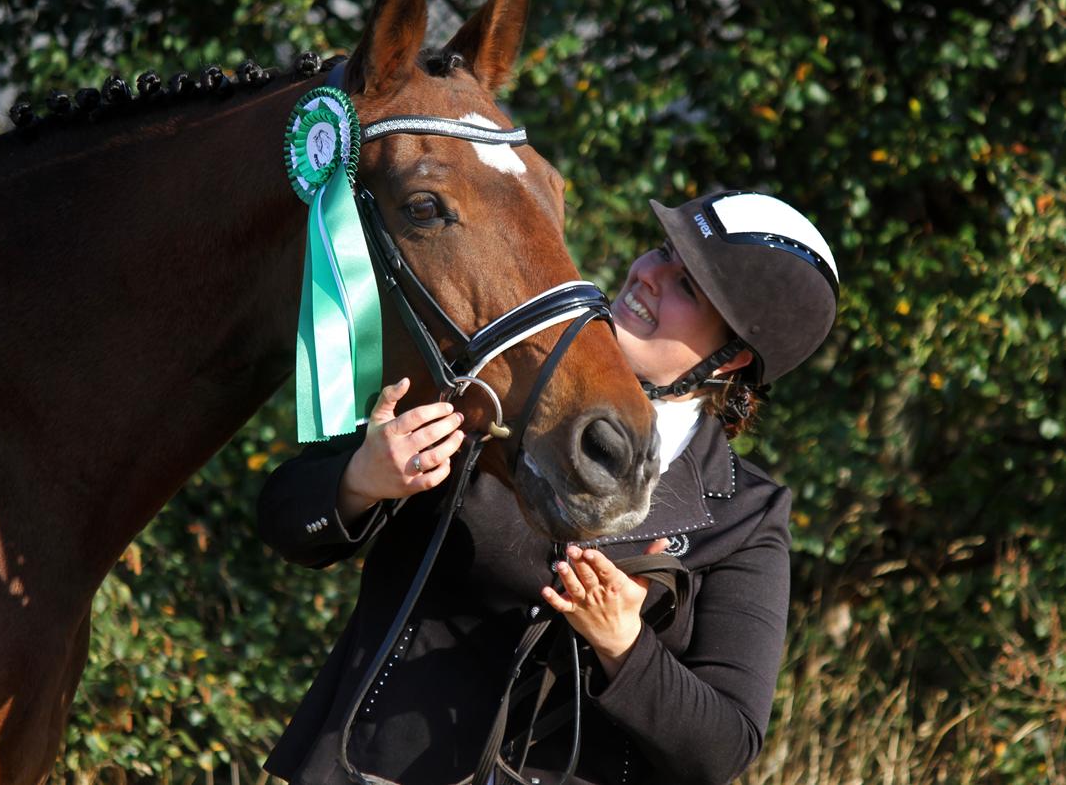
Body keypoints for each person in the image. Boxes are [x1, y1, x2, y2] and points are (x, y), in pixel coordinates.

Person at [258, 190, 840, 785]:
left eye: (688, 286)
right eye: (663, 250)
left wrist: (625, 645)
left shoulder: (746, 514)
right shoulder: (490, 382)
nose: (647, 274)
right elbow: (284, 521)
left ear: (731, 359)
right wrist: (362, 479)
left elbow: (722, 750)